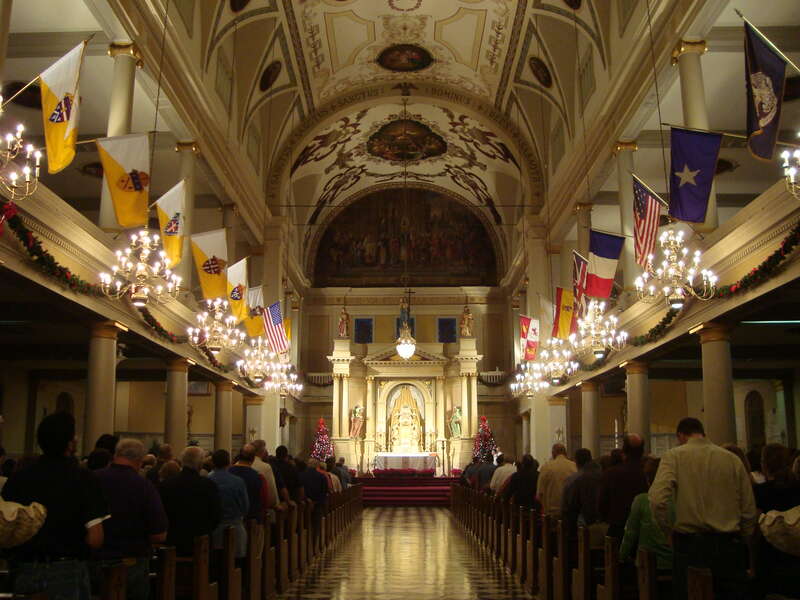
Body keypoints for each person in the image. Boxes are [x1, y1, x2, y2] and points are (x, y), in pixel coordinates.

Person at [3, 412, 109, 600]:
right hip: (67, 570)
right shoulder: (84, 478)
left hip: (25, 568)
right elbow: (95, 537)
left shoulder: (19, 478)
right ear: (70, 443)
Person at [649, 418, 756, 600]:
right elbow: (748, 508)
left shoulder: (674, 456)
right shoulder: (732, 459)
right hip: (729, 545)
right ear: (702, 433)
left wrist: (668, 530)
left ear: (681, 436)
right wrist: (743, 537)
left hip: (690, 547)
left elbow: (657, 500)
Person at [93, 439, 168, 600]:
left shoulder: (93, 479)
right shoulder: (144, 486)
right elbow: (159, 535)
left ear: (115, 455)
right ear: (140, 460)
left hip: (94, 561)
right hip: (132, 562)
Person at [751, 442, 800, 598]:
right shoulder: (797, 488)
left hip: (769, 555)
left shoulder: (760, 492)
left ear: (765, 465)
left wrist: (752, 562)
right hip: (795, 553)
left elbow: (755, 529)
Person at [619, 457, 673, 587]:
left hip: (647, 565)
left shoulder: (642, 500)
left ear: (648, 479)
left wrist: (621, 557)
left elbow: (630, 534)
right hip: (676, 564)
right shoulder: (680, 500)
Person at [159, 446, 222, 556]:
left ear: (182, 462)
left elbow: (160, 514)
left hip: (173, 542)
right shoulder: (208, 485)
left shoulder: (166, 484)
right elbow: (216, 515)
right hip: (201, 542)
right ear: (200, 464)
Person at [598, 434, 648, 539]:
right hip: (642, 528)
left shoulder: (611, 473)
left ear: (624, 451)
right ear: (642, 451)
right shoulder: (647, 472)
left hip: (617, 526)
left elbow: (602, 502)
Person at [208, 449, 249, 559]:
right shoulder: (238, 481)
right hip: (235, 527)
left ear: (213, 463)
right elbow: (245, 507)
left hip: (214, 530)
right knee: (236, 562)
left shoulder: (207, 480)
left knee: (215, 563)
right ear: (229, 462)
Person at [562, 448, 602, 540]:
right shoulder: (603, 475)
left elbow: (568, 506)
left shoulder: (574, 480)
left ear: (576, 461)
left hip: (581, 526)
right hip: (602, 525)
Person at [229, 444, 269, 523]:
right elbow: (264, 499)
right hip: (252, 518)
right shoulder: (258, 477)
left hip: (232, 516)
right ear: (253, 458)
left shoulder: (228, 472)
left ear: (239, 456)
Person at [537, 443, 576, 517]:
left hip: (552, 511)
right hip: (570, 511)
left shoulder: (547, 467)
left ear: (553, 453)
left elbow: (540, 493)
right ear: (565, 453)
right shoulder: (574, 466)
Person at [298, 459, 328, 546]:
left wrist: (306, 499)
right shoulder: (322, 476)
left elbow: (299, 490)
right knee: (316, 526)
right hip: (317, 504)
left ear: (308, 464)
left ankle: (303, 546)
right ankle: (314, 546)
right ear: (317, 466)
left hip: (304, 504)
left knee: (304, 525)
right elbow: (324, 492)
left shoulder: (301, 475)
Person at [251, 439, 281, 508]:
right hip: (260, 507)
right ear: (263, 451)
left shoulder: (243, 464)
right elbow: (272, 493)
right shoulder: (266, 467)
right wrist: (277, 504)